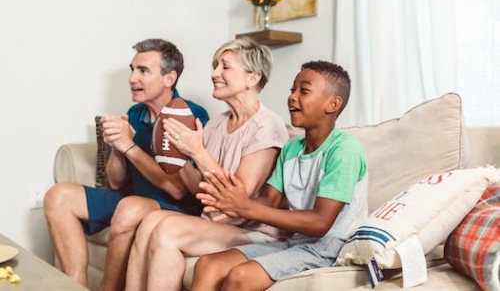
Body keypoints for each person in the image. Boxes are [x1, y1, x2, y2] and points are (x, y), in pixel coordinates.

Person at [43, 38, 210, 291]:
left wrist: (130, 146)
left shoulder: (189, 114)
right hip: (132, 198)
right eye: (133, 70)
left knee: (129, 208)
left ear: (169, 78)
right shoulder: (135, 112)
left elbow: (178, 188)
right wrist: (118, 148)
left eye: (143, 71)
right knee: (58, 196)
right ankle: (75, 286)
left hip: (175, 208)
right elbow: (116, 180)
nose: (133, 78)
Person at [124, 37, 289, 291]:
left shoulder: (267, 125)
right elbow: (198, 189)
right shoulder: (216, 124)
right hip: (214, 225)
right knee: (149, 223)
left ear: (252, 77)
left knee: (166, 230)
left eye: (225, 66)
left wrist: (197, 150)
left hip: (254, 233)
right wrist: (176, 155)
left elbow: (238, 197)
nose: (215, 74)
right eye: (215, 66)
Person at [191, 61, 368, 291]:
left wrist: (246, 207)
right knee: (208, 264)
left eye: (303, 91)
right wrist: (231, 203)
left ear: (332, 104)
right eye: (292, 90)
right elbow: (268, 200)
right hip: (295, 242)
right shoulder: (292, 149)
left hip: (331, 248)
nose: (292, 97)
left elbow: (320, 222)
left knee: (241, 276)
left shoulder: (345, 150)